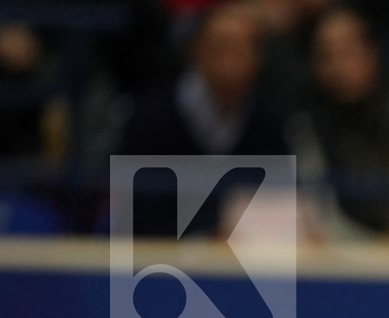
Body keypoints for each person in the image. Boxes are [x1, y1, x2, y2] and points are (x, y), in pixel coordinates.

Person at [119, 3, 291, 238]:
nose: (228, 62)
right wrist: (204, 240)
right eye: (219, 48)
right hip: (161, 255)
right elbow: (134, 212)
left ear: (256, 59)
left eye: (239, 49)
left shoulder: (269, 119)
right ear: (196, 51)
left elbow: (278, 201)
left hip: (246, 254)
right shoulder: (150, 118)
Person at [293, 6, 389, 245]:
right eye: (326, 56)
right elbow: (320, 218)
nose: (339, 66)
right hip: (341, 257)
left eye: (349, 51)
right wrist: (380, 249)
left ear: (371, 54)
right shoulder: (302, 127)